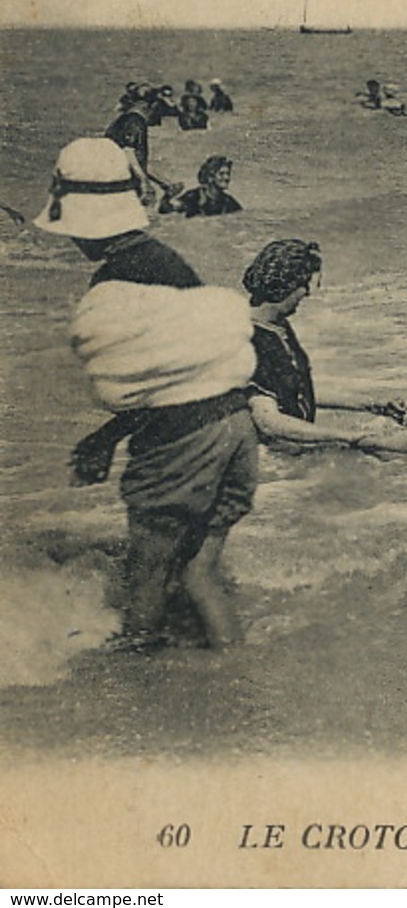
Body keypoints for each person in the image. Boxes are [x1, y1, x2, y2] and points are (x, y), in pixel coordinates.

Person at [35, 137, 259, 651]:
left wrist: (109, 434)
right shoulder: (164, 262)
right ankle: (238, 677)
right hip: (235, 427)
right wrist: (109, 437)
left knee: (147, 579)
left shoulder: (120, 280)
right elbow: (191, 373)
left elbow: (158, 389)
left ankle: (140, 699)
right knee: (199, 575)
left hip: (184, 442)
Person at [242, 240, 406, 449]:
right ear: (286, 284)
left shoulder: (277, 328)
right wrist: (350, 437)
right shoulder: (248, 338)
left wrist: (372, 404)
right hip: (270, 469)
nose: (308, 293)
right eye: (305, 285)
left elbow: (296, 390)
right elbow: (270, 423)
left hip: (288, 456)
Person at [104, 95, 179, 204]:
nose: (158, 118)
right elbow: (128, 153)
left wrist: (165, 183)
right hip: (122, 183)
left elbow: (138, 161)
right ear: (149, 107)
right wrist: (143, 181)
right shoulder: (135, 122)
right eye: (158, 112)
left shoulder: (126, 120)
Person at [161, 155, 243, 218]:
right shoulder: (193, 197)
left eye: (228, 174)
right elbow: (166, 211)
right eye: (221, 174)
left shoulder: (229, 203)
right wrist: (167, 197)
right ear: (210, 177)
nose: (226, 178)